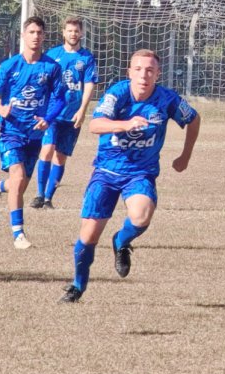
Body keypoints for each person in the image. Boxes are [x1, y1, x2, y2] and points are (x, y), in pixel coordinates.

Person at [59, 49, 200, 303]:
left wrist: (185, 156)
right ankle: (78, 286)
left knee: (142, 215)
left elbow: (193, 119)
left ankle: (121, 240)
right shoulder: (118, 93)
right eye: (138, 69)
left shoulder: (167, 99)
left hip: (140, 173)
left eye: (149, 70)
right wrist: (124, 124)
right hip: (106, 172)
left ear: (157, 74)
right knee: (88, 237)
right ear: (129, 72)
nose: (144, 75)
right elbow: (94, 125)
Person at [0, 16, 66, 249]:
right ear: (23, 35)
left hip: (35, 135)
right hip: (11, 132)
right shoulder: (9, 66)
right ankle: (18, 235)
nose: (36, 36)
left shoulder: (52, 67)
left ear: (44, 36)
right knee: (18, 178)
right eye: (31, 32)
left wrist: (48, 119)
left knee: (17, 185)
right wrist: (2, 109)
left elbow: (60, 99)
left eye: (40, 32)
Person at [31, 17, 98, 209]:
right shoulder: (53, 55)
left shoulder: (86, 58)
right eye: (69, 30)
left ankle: (48, 199)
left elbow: (89, 85)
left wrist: (83, 110)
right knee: (46, 150)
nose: (73, 34)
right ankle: (39, 194)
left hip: (73, 115)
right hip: (53, 114)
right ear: (63, 32)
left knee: (60, 157)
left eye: (76, 31)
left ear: (81, 33)